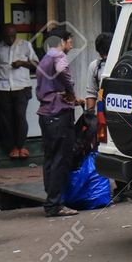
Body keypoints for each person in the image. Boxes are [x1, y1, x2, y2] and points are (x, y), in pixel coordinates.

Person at [36, 30, 84, 217]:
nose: (71, 45)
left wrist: (73, 98)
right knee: (60, 159)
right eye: (70, 41)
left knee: (50, 158)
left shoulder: (44, 58)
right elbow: (63, 71)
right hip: (58, 114)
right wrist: (71, 91)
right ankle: (55, 204)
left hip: (46, 114)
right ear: (62, 41)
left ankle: (51, 200)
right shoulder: (58, 55)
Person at [0, 24, 39, 159]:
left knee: (20, 116)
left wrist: (22, 63)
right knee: (6, 119)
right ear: (3, 36)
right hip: (3, 88)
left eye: (13, 36)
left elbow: (37, 65)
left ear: (16, 34)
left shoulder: (25, 45)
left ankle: (21, 145)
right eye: (7, 36)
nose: (10, 39)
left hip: (22, 87)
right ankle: (12, 147)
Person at [86, 33, 113, 111]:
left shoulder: (94, 66)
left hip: (103, 113)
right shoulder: (122, 63)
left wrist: (89, 118)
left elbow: (91, 94)